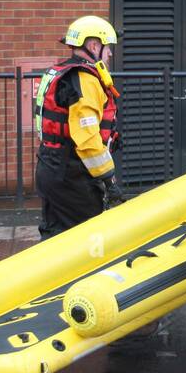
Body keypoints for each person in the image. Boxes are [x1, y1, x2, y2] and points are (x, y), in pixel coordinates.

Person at [33, 16, 125, 238]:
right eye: (108, 47)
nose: (110, 53)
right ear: (94, 45)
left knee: (55, 236)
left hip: (51, 166)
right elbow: (87, 138)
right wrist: (109, 179)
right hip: (72, 174)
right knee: (88, 240)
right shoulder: (85, 79)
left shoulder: (60, 72)